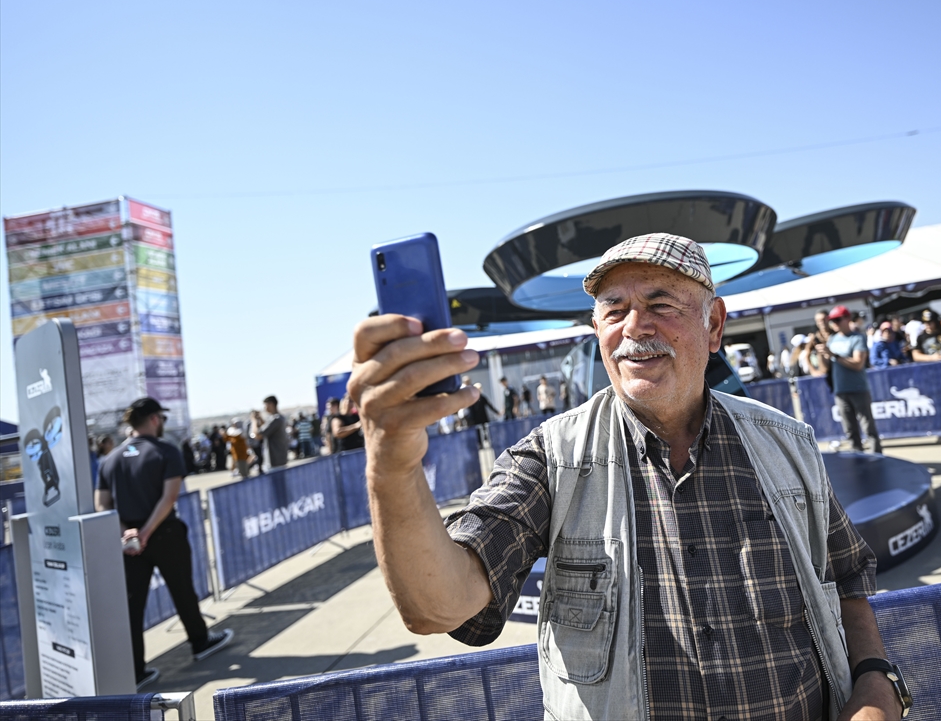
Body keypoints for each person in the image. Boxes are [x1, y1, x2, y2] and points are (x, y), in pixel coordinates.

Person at [348, 232, 910, 721]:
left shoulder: (789, 444)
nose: (635, 327)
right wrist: (391, 463)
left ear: (714, 325)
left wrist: (876, 684)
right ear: (597, 331)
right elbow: (438, 605)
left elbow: (849, 583)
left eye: (662, 303)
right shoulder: (550, 457)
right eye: (614, 310)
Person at [95, 398, 233, 689]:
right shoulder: (166, 450)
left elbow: (102, 506)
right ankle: (200, 642)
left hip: (129, 542)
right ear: (156, 419)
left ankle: (135, 670)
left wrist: (128, 533)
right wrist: (145, 532)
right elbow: (169, 498)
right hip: (164, 533)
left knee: (132, 606)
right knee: (182, 590)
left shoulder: (110, 459)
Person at [820, 305, 883, 454]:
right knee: (850, 430)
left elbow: (857, 364)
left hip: (858, 388)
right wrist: (821, 354)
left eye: (837, 319)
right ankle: (858, 459)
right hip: (840, 390)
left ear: (847, 319)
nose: (834, 323)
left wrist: (834, 355)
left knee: (868, 428)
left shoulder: (858, 337)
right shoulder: (832, 339)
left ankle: (877, 458)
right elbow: (825, 368)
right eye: (832, 320)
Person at [251, 396, 289, 471]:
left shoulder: (276, 419)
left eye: (265, 405)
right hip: (278, 460)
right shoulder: (279, 418)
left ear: (271, 404)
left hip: (274, 461)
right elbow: (266, 429)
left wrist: (254, 421)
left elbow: (258, 435)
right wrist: (260, 419)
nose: (264, 408)